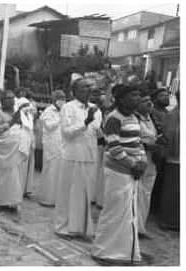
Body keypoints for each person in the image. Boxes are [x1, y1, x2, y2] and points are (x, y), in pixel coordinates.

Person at [91, 84, 148, 265]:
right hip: (118, 171)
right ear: (121, 99)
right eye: (133, 95)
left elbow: (138, 143)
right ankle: (102, 251)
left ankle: (125, 251)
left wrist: (142, 161)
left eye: (138, 95)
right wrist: (133, 164)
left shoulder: (133, 117)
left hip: (132, 171)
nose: (137, 98)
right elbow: (114, 148)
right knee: (114, 212)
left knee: (128, 213)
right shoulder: (113, 119)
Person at [54, 78, 102, 240]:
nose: (88, 89)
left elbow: (97, 132)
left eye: (90, 86)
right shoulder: (68, 107)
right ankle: (63, 227)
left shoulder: (96, 109)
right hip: (72, 156)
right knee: (68, 193)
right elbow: (67, 132)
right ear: (74, 92)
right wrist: (86, 122)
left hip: (89, 156)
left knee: (85, 194)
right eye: (84, 87)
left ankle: (81, 227)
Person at [0, 90, 25, 213]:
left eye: (12, 98)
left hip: (16, 149)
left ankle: (12, 202)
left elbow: (25, 125)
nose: (10, 101)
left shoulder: (17, 112)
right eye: (7, 99)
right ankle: (0, 202)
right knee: (2, 176)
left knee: (15, 176)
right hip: (3, 150)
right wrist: (11, 122)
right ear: (2, 101)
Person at [135, 91, 158, 237]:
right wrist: (146, 145)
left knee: (146, 194)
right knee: (137, 193)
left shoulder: (151, 118)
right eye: (145, 100)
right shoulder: (133, 119)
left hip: (152, 160)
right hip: (138, 160)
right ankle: (134, 227)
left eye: (150, 100)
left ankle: (141, 226)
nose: (149, 103)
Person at [37, 90, 66, 207]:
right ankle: (47, 198)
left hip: (61, 145)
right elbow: (49, 126)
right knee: (50, 171)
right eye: (61, 98)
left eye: (64, 98)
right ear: (55, 100)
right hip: (51, 146)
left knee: (59, 173)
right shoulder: (48, 111)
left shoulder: (63, 111)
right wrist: (60, 119)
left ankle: (56, 199)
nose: (63, 101)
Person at [158, 90, 179, 231]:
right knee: (173, 190)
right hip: (175, 157)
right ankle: (168, 220)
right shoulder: (173, 115)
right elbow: (169, 135)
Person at [149, 88, 170, 214]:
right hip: (157, 151)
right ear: (155, 98)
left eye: (167, 95)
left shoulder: (167, 112)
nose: (166, 98)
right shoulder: (153, 112)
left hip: (166, 151)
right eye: (162, 95)